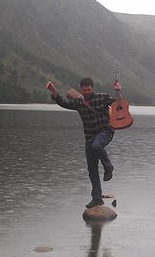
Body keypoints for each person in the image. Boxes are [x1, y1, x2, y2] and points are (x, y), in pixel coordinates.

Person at [47, 77, 123, 208]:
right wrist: (54, 91)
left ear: (92, 88)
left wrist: (117, 91)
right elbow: (63, 102)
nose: (87, 91)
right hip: (89, 137)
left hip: (105, 132)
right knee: (92, 169)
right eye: (84, 90)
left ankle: (108, 167)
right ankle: (97, 198)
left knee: (96, 145)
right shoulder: (78, 102)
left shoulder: (102, 97)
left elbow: (119, 105)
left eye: (89, 89)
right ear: (81, 90)